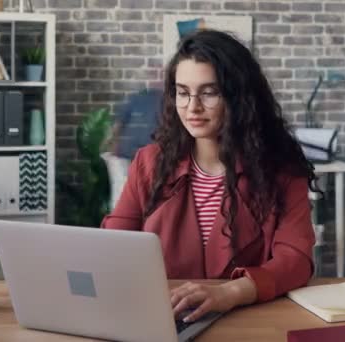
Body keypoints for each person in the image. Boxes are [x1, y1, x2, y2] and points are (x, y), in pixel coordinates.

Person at [101, 30, 317, 323]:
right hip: (165, 317)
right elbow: (114, 244)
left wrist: (230, 293)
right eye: (183, 92)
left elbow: (295, 260)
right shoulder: (149, 162)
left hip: (248, 319)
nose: (192, 108)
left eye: (209, 92)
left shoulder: (281, 169)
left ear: (239, 97)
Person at [102, 88, 163, 210]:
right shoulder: (139, 98)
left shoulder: (156, 99)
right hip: (130, 155)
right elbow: (118, 124)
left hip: (143, 156)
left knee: (124, 195)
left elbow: (118, 124)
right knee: (124, 195)